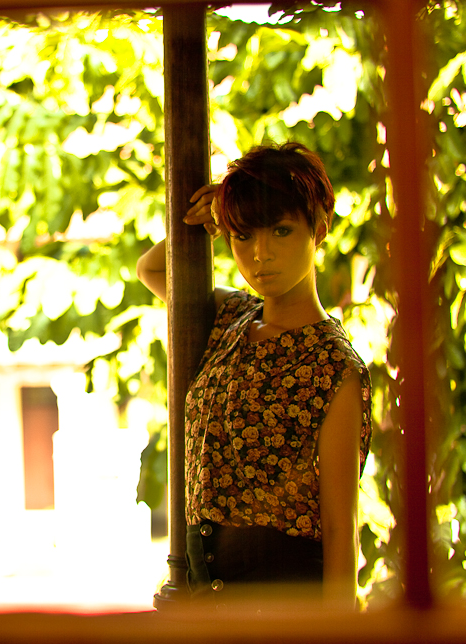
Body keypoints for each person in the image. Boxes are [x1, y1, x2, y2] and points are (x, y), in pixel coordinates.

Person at [136, 142, 372, 609]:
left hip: (287, 607)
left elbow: (340, 530)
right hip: (207, 599)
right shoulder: (230, 318)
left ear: (319, 229)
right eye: (243, 236)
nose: (260, 254)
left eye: (281, 231)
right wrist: (215, 213)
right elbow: (151, 269)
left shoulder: (334, 367)